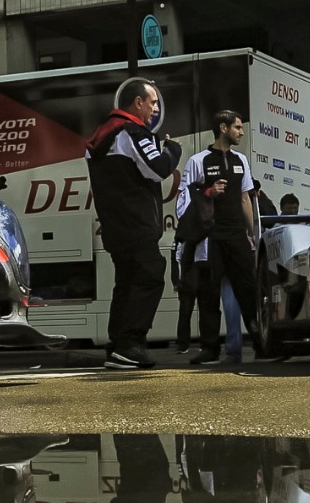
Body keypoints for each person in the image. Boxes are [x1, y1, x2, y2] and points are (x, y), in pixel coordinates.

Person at [86, 78, 182, 370]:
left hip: (115, 225)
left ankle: (118, 346)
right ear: (137, 102)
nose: (155, 109)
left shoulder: (102, 135)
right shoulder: (132, 132)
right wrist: (172, 149)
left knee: (126, 283)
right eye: (152, 102)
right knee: (151, 274)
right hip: (136, 223)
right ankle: (130, 344)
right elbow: (159, 169)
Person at [178, 110, 260, 366]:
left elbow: (246, 197)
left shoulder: (242, 160)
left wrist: (253, 234)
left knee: (249, 291)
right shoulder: (197, 161)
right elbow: (184, 202)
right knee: (208, 295)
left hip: (236, 235)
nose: (241, 132)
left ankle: (261, 343)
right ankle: (210, 348)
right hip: (209, 237)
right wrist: (209, 192)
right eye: (237, 127)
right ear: (223, 128)